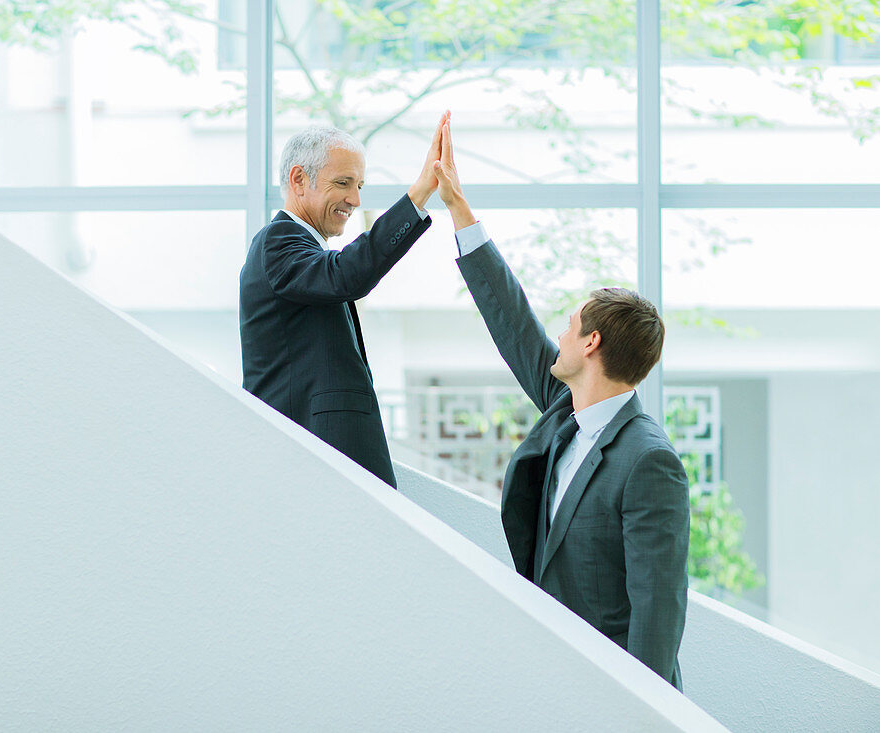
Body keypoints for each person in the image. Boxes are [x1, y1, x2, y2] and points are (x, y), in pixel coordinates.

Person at [430, 120, 690, 689]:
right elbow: (513, 324)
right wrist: (458, 210)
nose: (561, 336)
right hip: (552, 681)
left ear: (591, 343)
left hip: (610, 697)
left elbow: (658, 612)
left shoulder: (649, 461)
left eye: (571, 325)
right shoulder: (564, 412)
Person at [240, 116, 447, 488]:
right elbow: (346, 275)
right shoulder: (277, 244)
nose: (355, 199)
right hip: (310, 452)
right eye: (343, 183)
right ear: (299, 180)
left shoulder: (300, 252)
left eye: (359, 185)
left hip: (316, 453)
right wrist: (418, 194)